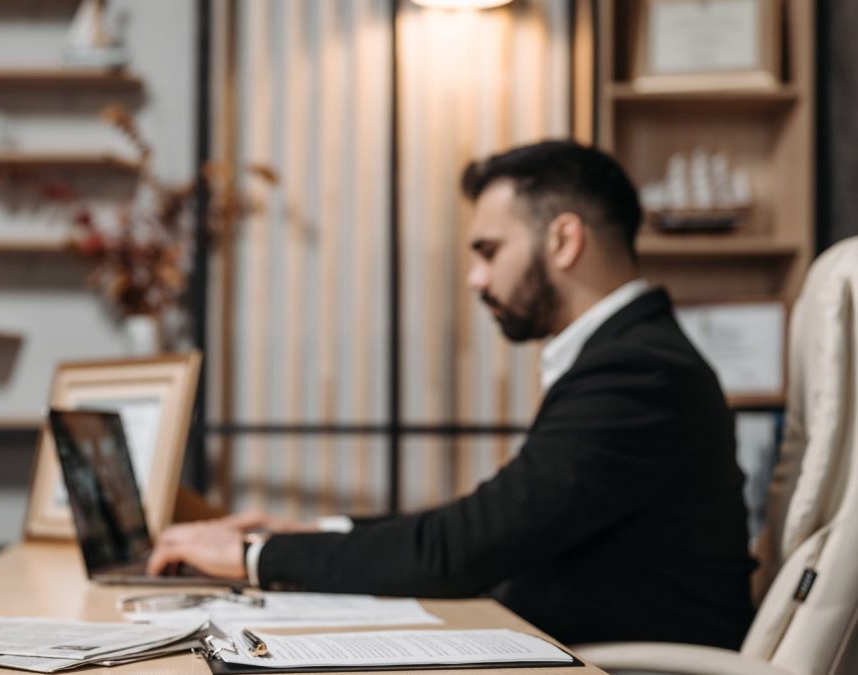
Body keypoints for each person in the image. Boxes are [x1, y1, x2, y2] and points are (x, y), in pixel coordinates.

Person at [146, 140, 756, 649]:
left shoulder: (638, 373)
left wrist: (257, 555)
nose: (476, 278)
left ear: (564, 241)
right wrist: (312, 532)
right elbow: (485, 524)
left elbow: (464, 548)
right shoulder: (634, 357)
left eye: (489, 251)